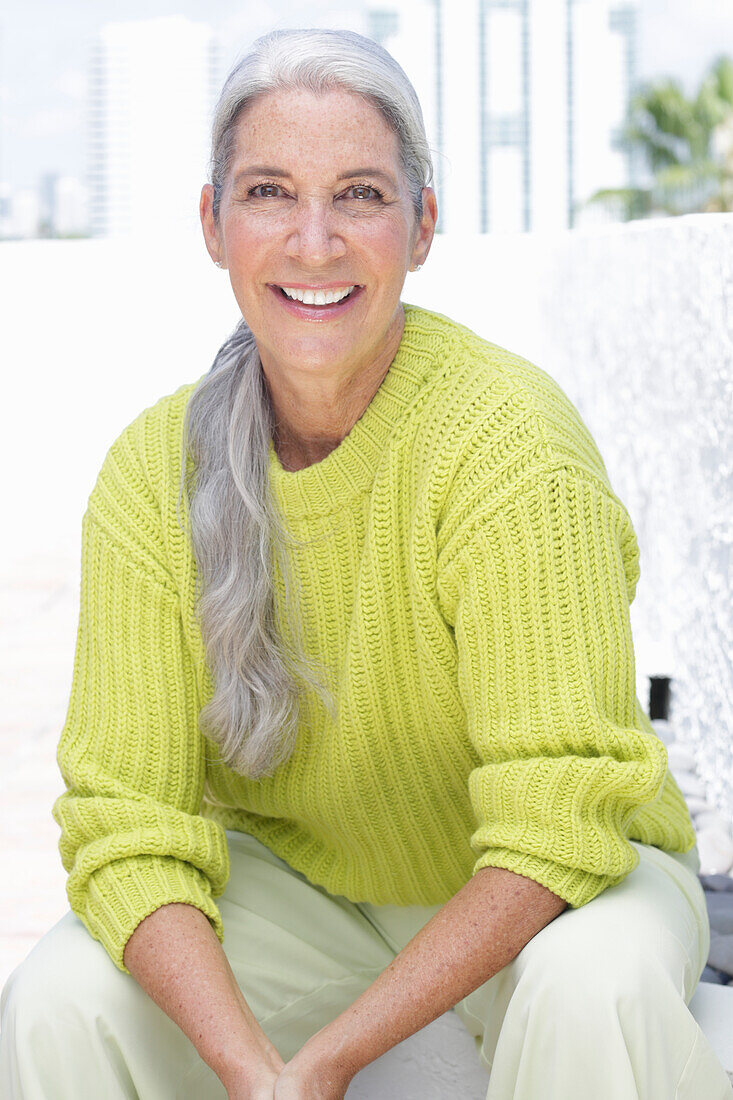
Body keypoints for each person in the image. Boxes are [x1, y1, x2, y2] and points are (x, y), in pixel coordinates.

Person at [1, 25, 731, 1100]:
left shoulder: (506, 444)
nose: (312, 241)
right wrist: (250, 1068)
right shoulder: (155, 470)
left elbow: (557, 819)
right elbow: (129, 822)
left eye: (357, 194)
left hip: (560, 891)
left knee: (594, 988)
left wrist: (329, 1059)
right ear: (211, 223)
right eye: (267, 192)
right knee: (63, 990)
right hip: (304, 896)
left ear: (422, 225)